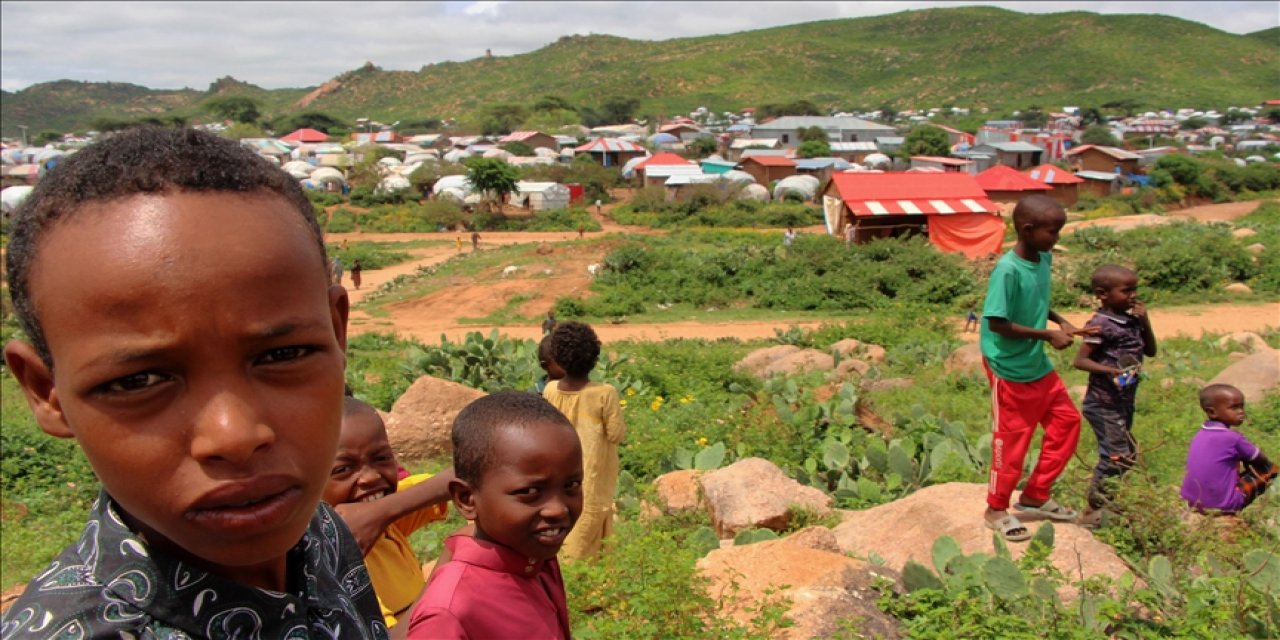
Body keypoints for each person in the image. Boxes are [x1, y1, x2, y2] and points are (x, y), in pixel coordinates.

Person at [0, 126, 387, 637]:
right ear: (47, 392)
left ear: (337, 332)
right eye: (140, 380)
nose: (235, 436)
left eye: (283, 354)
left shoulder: (319, 536)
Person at [406, 392, 581, 639]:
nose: (558, 509)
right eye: (530, 492)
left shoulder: (537, 561)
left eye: (571, 486)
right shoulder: (449, 612)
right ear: (466, 499)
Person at [979, 194, 1092, 542]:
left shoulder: (1042, 258)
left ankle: (1036, 495)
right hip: (1009, 368)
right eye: (1052, 232)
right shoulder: (1007, 270)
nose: (1056, 239)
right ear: (1027, 230)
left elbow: (1037, 301)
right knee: (1013, 443)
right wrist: (1047, 334)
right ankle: (996, 509)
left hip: (1035, 364)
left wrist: (1061, 322)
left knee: (1067, 423)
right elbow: (997, 322)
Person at [324, 397, 454, 636]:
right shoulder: (341, 559)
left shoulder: (387, 520)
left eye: (382, 458)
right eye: (342, 469)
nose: (371, 477)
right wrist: (449, 568)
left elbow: (448, 480)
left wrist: (382, 511)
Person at [1073, 265, 1158, 527]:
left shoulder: (1131, 321)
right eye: (1126, 291)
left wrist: (1145, 321)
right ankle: (1096, 508)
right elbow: (1080, 361)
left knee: (1126, 454)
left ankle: (1107, 501)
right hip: (1103, 403)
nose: (1133, 295)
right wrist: (1109, 370)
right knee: (1116, 455)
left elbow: (1152, 351)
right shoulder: (1100, 325)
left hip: (1123, 401)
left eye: (1135, 289)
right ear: (1103, 294)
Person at [542, 321, 626, 561]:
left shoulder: (550, 390)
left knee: (567, 536)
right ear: (594, 356)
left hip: (558, 479)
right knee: (586, 543)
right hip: (592, 480)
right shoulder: (605, 393)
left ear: (558, 357)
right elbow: (616, 434)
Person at [1180, 384, 1277, 515]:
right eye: (1234, 407)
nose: (1241, 411)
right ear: (1212, 412)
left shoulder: (1200, 434)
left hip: (1191, 502)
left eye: (1242, 406)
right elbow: (1261, 459)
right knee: (1271, 470)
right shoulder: (1233, 438)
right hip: (1223, 505)